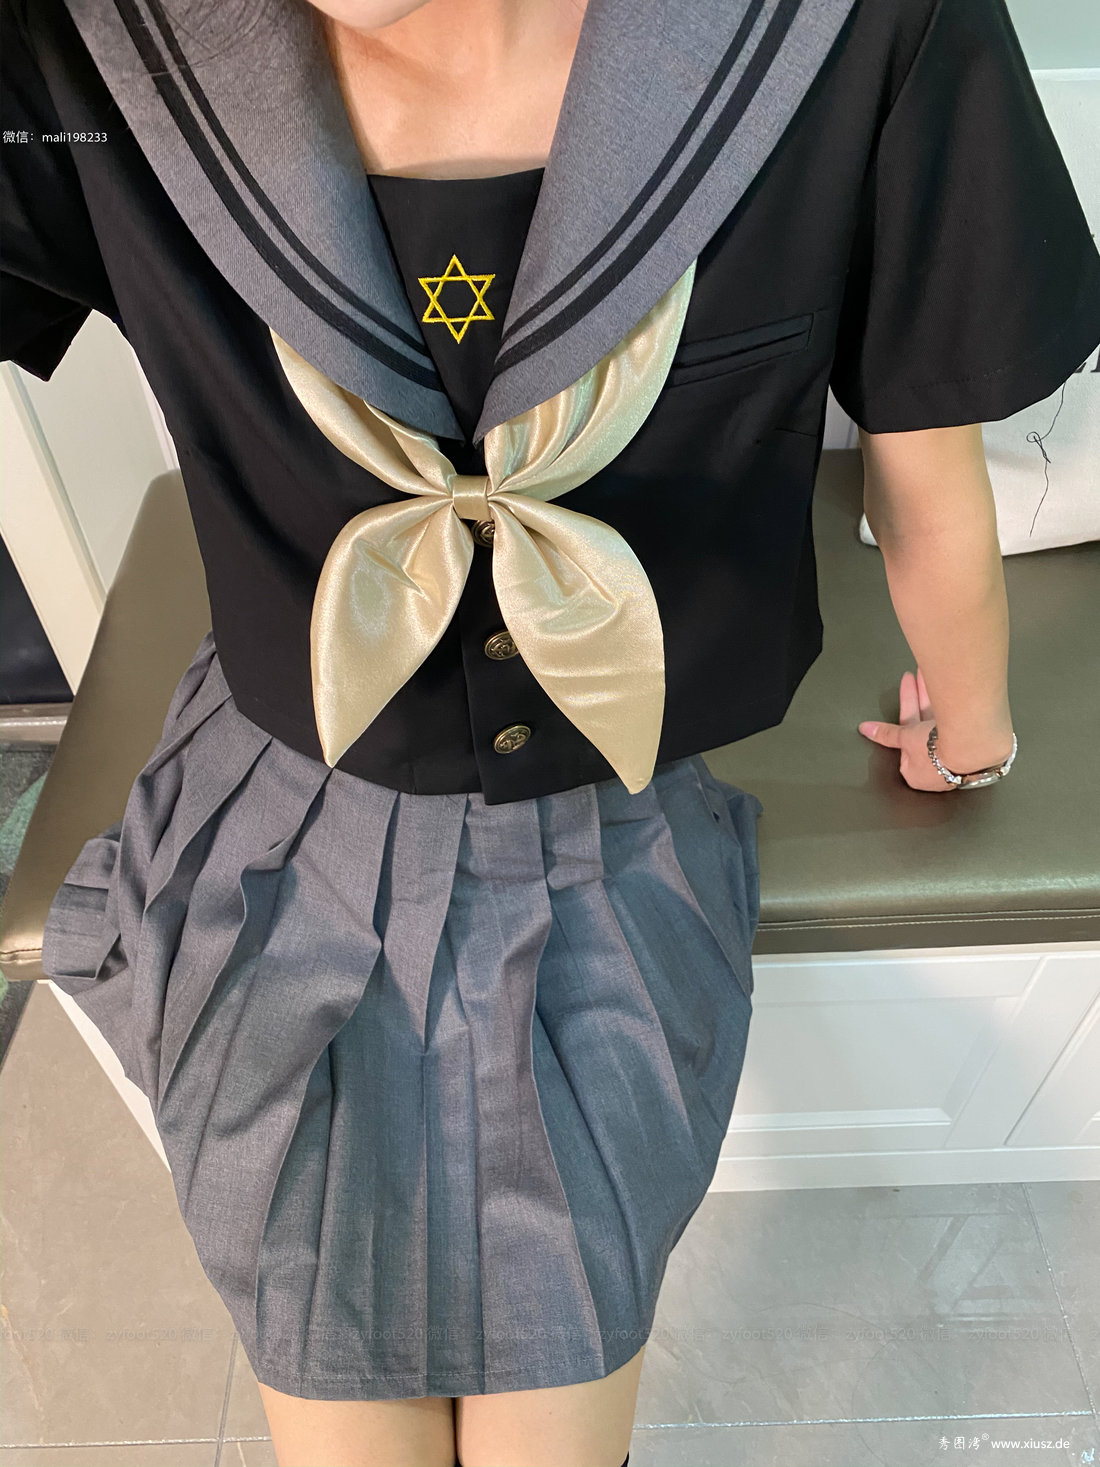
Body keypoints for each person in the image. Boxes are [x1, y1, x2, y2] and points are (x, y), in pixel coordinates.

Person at [3, 0, 1099, 1463]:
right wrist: (966, 735)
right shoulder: (76, 37)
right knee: (367, 1319)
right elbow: (931, 485)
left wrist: (977, 736)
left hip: (577, 838)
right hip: (292, 830)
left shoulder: (859, 29)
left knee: (501, 1326)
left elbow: (928, 457)